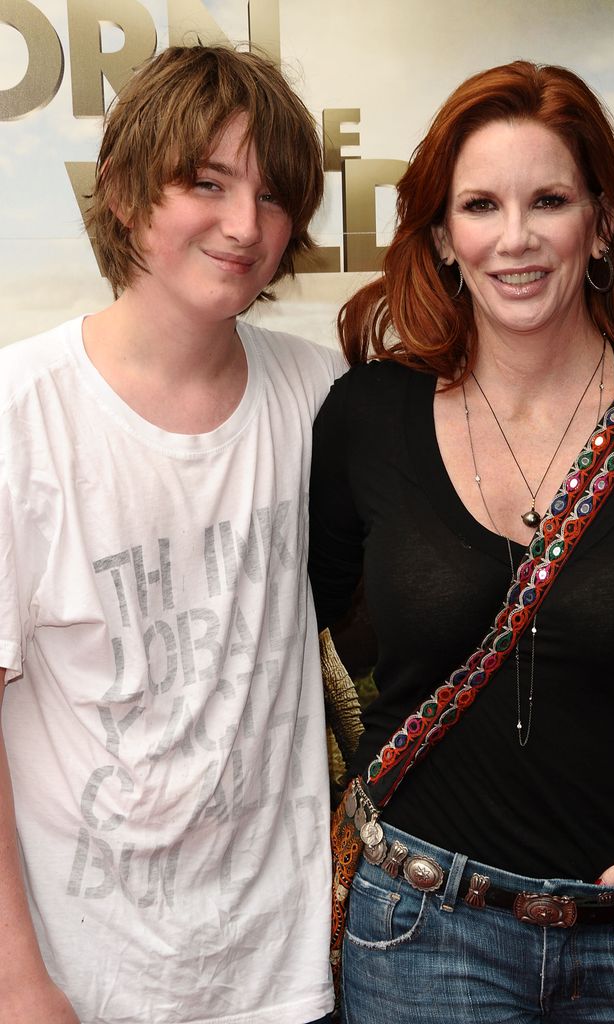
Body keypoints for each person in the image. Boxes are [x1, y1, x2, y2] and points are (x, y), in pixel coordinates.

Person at [309, 61, 614, 1023]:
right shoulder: (367, 417)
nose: (514, 239)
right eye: (480, 205)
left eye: (548, 200)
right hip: (425, 934)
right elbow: (294, 620)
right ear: (442, 234)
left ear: (599, 223)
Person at [0, 45, 344, 1024]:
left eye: (273, 196)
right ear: (120, 191)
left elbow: (499, 433)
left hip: (283, 980)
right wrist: (18, 984)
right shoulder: (20, 412)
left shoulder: (319, 393)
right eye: (206, 181)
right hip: (85, 984)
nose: (245, 225)